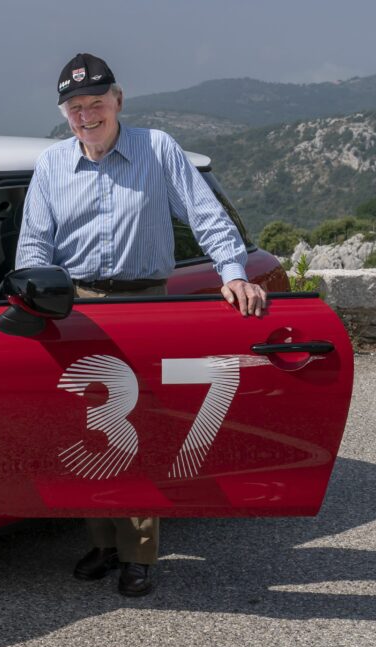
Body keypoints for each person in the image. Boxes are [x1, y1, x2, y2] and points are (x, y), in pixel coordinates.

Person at [16, 53, 270, 597]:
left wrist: (233, 272)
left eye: (96, 103)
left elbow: (205, 214)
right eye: (76, 107)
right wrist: (33, 295)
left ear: (118, 100)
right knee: (86, 425)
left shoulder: (158, 149)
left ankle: (138, 555)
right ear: (64, 113)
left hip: (143, 305)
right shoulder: (51, 164)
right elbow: (34, 242)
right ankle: (104, 543)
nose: (87, 115)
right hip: (76, 304)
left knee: (135, 428)